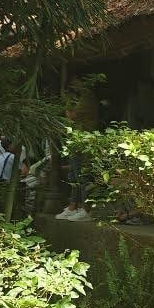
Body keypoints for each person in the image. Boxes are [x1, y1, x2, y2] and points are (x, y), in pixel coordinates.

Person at [56, 78, 100, 221]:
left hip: (84, 142)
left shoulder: (88, 98)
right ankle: (73, 206)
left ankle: (85, 210)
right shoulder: (80, 98)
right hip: (76, 141)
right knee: (74, 176)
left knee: (82, 176)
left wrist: (66, 100)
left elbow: (71, 115)